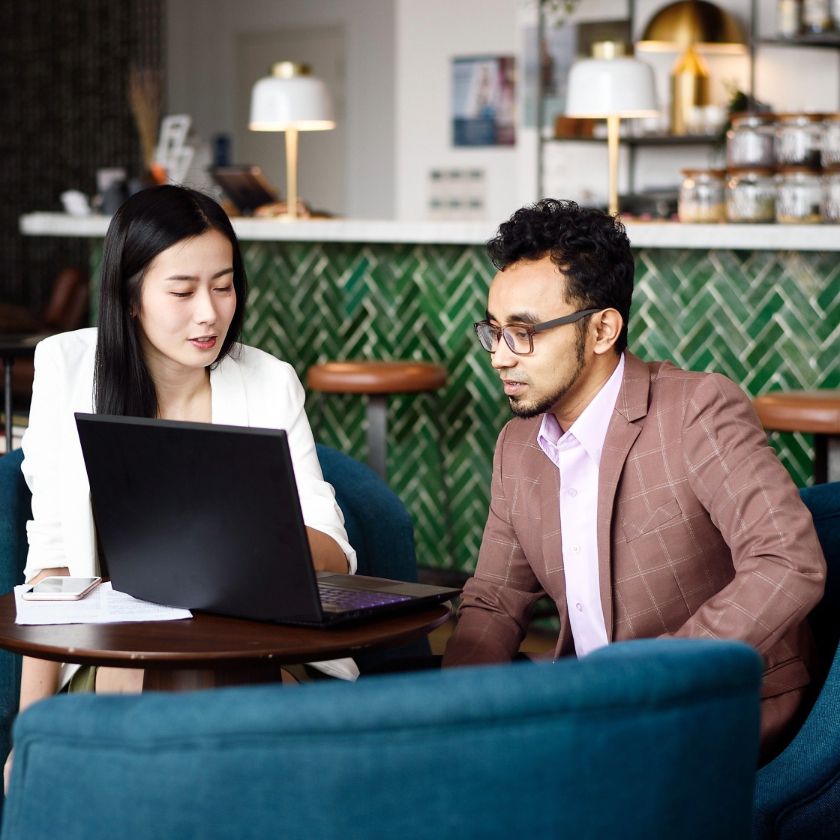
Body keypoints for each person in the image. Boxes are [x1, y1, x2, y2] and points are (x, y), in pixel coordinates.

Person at [443, 198, 826, 763]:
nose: (500, 356)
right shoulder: (518, 445)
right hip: (598, 715)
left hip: (717, 708)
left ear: (602, 329)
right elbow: (498, 599)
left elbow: (788, 562)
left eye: (523, 332)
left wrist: (649, 677)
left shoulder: (697, 410)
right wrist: (448, 713)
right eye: (493, 331)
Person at [11, 185, 356, 770]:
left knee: (210, 683)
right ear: (130, 297)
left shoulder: (269, 382)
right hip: (116, 653)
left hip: (254, 648)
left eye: (224, 286)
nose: (210, 312)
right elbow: (51, 571)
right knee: (168, 682)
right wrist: (26, 741)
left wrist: (253, 543)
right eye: (182, 291)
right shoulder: (65, 370)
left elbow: (333, 549)